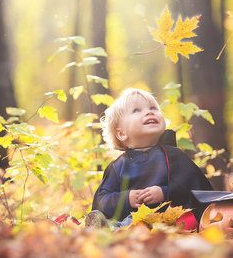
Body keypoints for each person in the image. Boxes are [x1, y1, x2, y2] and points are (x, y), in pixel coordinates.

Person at [87, 88, 214, 229]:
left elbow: (195, 188)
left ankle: (116, 230)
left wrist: (164, 193)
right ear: (121, 134)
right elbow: (101, 201)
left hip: (169, 218)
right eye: (136, 110)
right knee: (126, 222)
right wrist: (127, 198)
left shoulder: (173, 156)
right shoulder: (118, 166)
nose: (149, 112)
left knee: (186, 220)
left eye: (153, 108)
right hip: (132, 219)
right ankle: (112, 229)